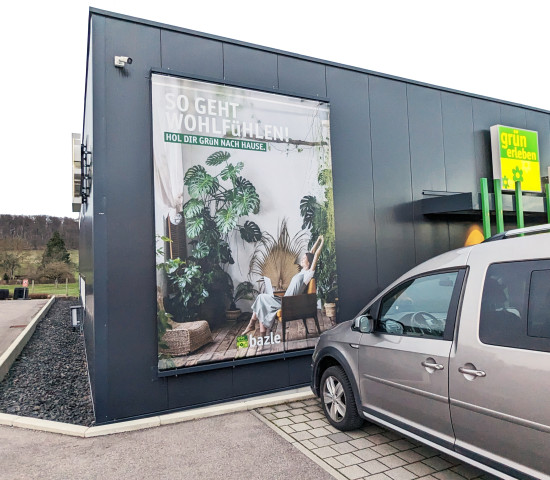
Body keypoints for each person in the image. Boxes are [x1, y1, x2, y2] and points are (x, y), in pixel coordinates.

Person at [242, 235, 324, 336]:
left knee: (260, 299)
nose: (302, 259)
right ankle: (254, 326)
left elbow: (315, 256)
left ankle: (253, 326)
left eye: (304, 258)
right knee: (260, 299)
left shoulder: (308, 274)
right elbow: (311, 252)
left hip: (288, 303)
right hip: (284, 300)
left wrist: (322, 241)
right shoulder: (302, 271)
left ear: (309, 262)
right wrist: (318, 240)